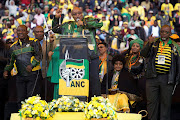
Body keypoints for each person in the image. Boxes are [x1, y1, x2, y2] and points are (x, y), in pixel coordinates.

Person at [50, 7, 103, 100]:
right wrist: (56, 18)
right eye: (75, 14)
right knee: (76, 81)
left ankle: (95, 102)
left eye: (79, 13)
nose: (77, 15)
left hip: (90, 57)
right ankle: (76, 101)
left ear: (82, 13)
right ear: (72, 15)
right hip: (73, 58)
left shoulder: (89, 20)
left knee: (93, 80)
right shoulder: (68, 25)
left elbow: (100, 23)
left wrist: (84, 24)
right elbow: (55, 29)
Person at [141, 25, 180, 120]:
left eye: (166, 32)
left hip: (167, 78)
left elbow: (178, 63)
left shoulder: (175, 45)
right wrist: (149, 44)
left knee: (165, 104)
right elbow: (143, 54)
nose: (163, 34)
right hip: (152, 77)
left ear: (170, 34)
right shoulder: (154, 42)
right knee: (151, 103)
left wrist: (176, 79)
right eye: (162, 31)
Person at [3, 25, 42, 109]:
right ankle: (21, 115)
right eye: (19, 31)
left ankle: (33, 115)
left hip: (33, 74)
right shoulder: (13, 47)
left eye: (23, 30)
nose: (21, 32)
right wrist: (6, 71)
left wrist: (31, 65)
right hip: (20, 75)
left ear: (27, 32)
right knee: (20, 98)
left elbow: (39, 56)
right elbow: (10, 61)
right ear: (16, 32)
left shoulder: (34, 42)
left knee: (31, 98)